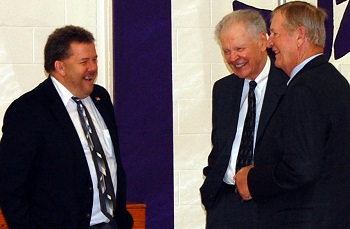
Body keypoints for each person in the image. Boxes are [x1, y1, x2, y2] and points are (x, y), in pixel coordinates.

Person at [0, 25, 133, 229]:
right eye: (84, 62)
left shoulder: (101, 99)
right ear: (60, 67)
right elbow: (10, 186)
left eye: (94, 59)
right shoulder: (28, 111)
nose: (93, 68)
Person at [235, 1, 350, 228]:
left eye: (275, 33)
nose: (269, 42)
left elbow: (301, 168)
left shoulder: (304, 89)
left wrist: (252, 180)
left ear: (300, 35)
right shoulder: (334, 81)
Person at [199, 9, 288, 228]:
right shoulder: (223, 89)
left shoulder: (289, 85)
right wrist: (211, 192)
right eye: (226, 51)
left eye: (239, 49)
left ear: (262, 41)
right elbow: (220, 148)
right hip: (225, 207)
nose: (232, 58)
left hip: (270, 207)